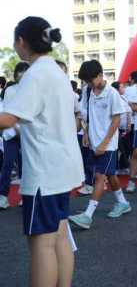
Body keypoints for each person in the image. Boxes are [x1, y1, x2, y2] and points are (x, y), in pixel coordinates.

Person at [0, 16, 84, 287]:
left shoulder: (35, 75)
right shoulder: (56, 72)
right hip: (63, 168)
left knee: (41, 243)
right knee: (59, 235)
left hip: (44, 173)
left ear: (21, 42)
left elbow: (8, 119)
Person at [68, 60, 131, 230]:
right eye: (86, 81)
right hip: (94, 142)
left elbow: (117, 119)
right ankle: (123, 203)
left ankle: (88, 215)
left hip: (108, 144)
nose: (88, 84)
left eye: (90, 80)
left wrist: (104, 143)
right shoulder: (88, 91)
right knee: (110, 175)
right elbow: (84, 115)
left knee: (99, 177)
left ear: (100, 75)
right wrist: (86, 134)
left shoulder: (112, 93)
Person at [0, 63, 29, 209]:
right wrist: (15, 128)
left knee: (26, 166)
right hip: (11, 133)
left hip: (27, 134)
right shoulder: (10, 90)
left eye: (25, 73)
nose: (22, 76)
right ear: (16, 74)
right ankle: (3, 196)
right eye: (20, 73)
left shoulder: (32, 90)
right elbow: (7, 112)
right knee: (7, 164)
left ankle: (25, 196)